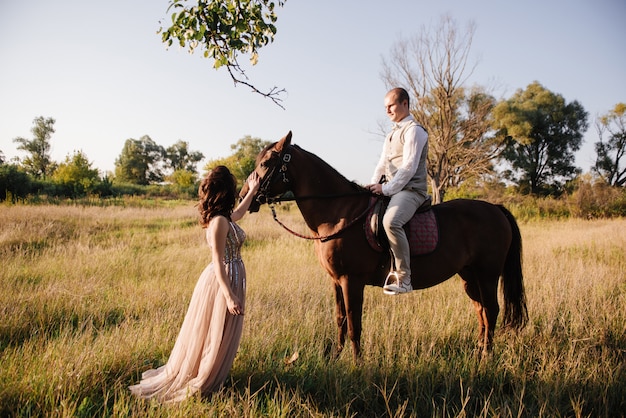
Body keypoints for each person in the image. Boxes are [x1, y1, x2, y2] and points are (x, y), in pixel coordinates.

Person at [129, 166, 260, 402]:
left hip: (231, 278)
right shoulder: (219, 222)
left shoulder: (224, 217)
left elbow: (239, 213)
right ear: (225, 192)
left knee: (218, 332)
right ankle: (203, 381)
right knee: (214, 332)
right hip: (223, 281)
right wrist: (229, 295)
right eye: (233, 188)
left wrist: (252, 190)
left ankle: (209, 372)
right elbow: (218, 262)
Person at [366, 87, 429, 295]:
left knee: (390, 222)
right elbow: (382, 164)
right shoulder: (391, 134)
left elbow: (409, 167)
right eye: (385, 107)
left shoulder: (414, 130)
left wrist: (385, 189)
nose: (387, 111)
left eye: (391, 105)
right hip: (393, 189)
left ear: (404, 103)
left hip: (411, 190)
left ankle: (405, 278)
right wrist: (372, 185)